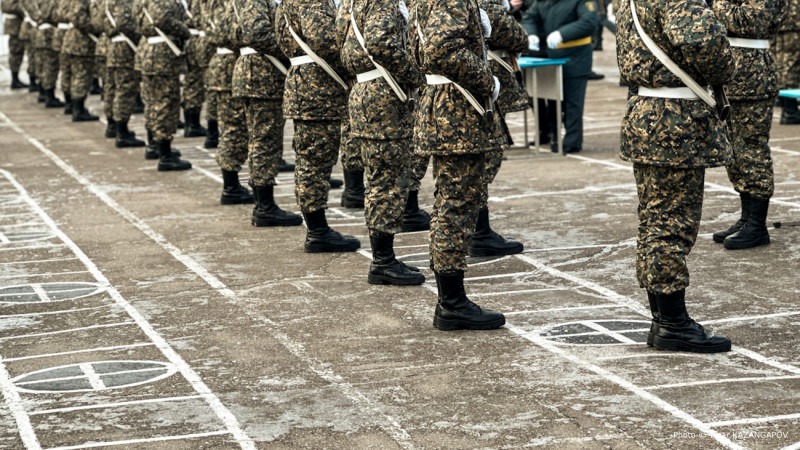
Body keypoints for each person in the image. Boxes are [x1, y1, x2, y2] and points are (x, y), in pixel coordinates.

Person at [617, 0, 735, 352]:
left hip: (647, 113)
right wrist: (726, 67)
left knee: (655, 220)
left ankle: (663, 318)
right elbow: (704, 43)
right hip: (675, 120)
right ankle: (673, 324)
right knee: (672, 223)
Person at [411, 0, 506, 330]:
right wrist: (487, 80)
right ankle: (451, 302)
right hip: (457, 111)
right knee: (456, 205)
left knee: (451, 204)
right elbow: (442, 48)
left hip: (447, 108)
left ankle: (451, 298)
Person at [337, 0, 425, 285]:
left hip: (365, 91)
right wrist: (416, 75)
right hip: (384, 96)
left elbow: (342, 44)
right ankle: (383, 261)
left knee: (380, 180)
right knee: (388, 181)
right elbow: (381, 44)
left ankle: (383, 257)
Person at [276, 0, 360, 253]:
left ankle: (317, 228)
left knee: (311, 161)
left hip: (309, 85)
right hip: (317, 88)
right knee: (314, 162)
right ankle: (317, 231)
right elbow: (324, 40)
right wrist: (354, 55)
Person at [711, 0, 787, 250]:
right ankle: (746, 219)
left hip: (753, 76)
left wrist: (716, 4)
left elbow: (751, 20)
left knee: (752, 151)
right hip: (731, 76)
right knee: (734, 151)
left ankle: (757, 225)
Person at [234, 0, 303, 226]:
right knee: (265, 141)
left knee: (261, 140)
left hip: (258, 75)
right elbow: (257, 33)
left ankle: (262, 203)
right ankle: (264, 206)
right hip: (261, 76)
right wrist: (291, 48)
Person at [472, 0, 526, 258]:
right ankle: (478, 232)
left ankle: (477, 229)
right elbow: (513, 33)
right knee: (485, 158)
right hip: (478, 89)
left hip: (469, 90)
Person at [522, 0, 598, 153]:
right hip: (553, 57)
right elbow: (530, 17)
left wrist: (563, 34)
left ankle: (572, 141)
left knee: (573, 103)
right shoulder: (544, 2)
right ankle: (555, 137)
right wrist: (531, 34)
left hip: (576, 57)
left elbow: (589, 21)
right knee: (554, 101)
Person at [205, 0, 253, 205]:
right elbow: (226, 32)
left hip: (225, 65)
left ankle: (231, 184)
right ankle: (231, 186)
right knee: (234, 127)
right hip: (229, 65)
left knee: (231, 126)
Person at [136, 0, 193, 170]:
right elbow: (163, 20)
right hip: (163, 57)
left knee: (153, 102)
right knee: (165, 104)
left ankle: (155, 145)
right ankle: (165, 155)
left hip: (150, 53)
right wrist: (185, 31)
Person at [102, 0, 146, 148]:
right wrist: (140, 36)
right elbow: (124, 24)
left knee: (113, 88)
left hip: (115, 47)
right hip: (125, 49)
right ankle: (121, 132)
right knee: (125, 90)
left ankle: (114, 126)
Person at [61, 0, 99, 121]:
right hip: (81, 42)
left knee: (70, 74)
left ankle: (70, 105)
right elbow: (79, 19)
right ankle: (78, 110)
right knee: (81, 76)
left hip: (72, 40)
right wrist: (95, 28)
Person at [180, 0, 207, 139]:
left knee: (190, 82)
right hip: (196, 39)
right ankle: (193, 125)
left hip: (190, 40)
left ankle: (189, 123)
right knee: (195, 83)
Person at [774, 0, 800, 124]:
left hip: (781, 22)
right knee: (791, 66)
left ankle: (787, 107)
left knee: (781, 64)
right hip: (793, 23)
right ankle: (790, 111)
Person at [3, 0, 30, 89]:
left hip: (16, 24)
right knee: (16, 51)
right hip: (15, 25)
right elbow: (9, 6)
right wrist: (26, 10)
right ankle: (15, 80)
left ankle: (15, 79)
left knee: (18, 51)